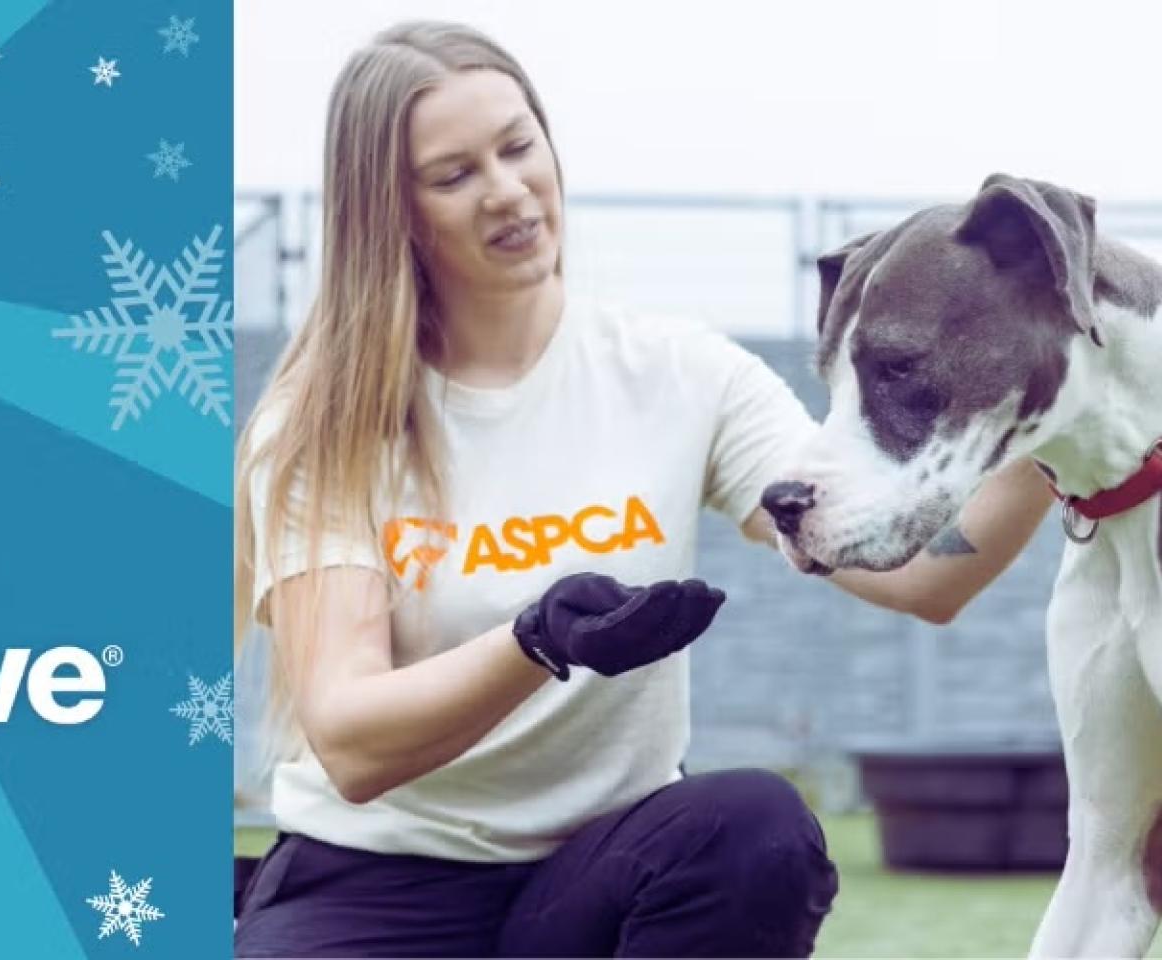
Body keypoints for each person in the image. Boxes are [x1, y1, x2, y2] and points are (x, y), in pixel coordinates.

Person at [232, 20, 1054, 958]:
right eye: (454, 175)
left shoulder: (681, 374)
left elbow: (924, 574)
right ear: (394, 213)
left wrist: (1055, 424)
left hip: (595, 879)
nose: (508, 190)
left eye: (517, 146)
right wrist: (535, 641)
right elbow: (351, 740)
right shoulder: (326, 422)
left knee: (752, 827)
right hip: (379, 887)